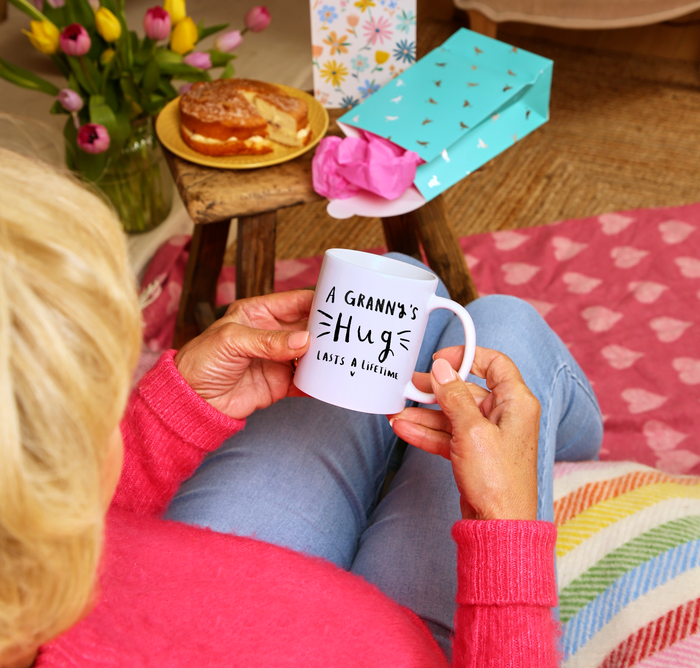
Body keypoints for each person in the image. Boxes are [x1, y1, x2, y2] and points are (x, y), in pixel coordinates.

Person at [0, 149, 602, 668]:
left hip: (187, 576)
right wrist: (507, 528)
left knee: (394, 279)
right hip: (415, 640)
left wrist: (169, 411)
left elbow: (66, 526)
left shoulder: (27, 579)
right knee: (503, 327)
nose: (114, 412)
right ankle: (564, 446)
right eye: (98, 409)